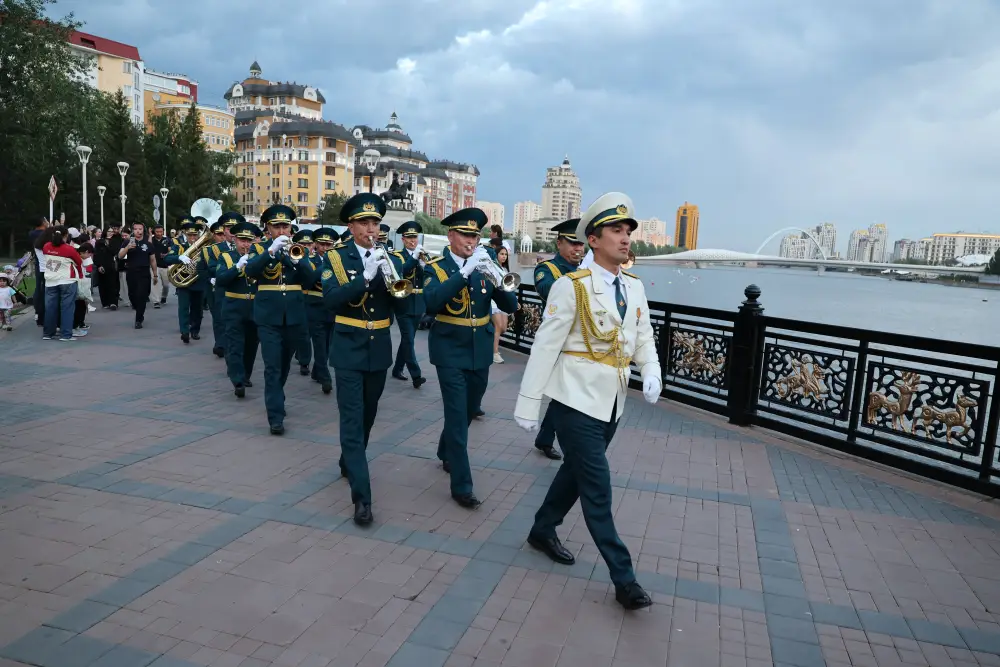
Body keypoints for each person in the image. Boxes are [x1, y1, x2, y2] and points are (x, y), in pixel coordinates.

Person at [513, 192, 662, 611]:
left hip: (611, 403)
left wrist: (651, 370)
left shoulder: (633, 287)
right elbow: (545, 346)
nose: (626, 237)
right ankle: (624, 578)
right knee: (598, 489)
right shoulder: (571, 286)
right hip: (573, 402)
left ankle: (543, 528)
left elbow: (643, 336)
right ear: (593, 240)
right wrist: (528, 404)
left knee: (576, 475)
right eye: (617, 230)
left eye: (628, 231)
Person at [423, 208, 518, 509]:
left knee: (467, 409)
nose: (471, 240)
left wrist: (498, 276)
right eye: (465, 234)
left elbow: (511, 303)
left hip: (479, 351)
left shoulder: (484, 266)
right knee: (456, 413)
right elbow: (432, 301)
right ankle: (462, 485)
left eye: (475, 235)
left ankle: (444, 449)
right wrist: (463, 273)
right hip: (449, 350)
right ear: (451, 236)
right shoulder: (435, 268)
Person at [322, 194, 407, 525]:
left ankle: (349, 461)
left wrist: (401, 284)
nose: (372, 229)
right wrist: (365, 278)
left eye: (376, 224)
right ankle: (363, 498)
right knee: (352, 420)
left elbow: (401, 302)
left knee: (368, 416)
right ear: (351, 226)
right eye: (365, 223)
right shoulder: (336, 258)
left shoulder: (388, 256)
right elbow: (331, 300)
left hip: (378, 350)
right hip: (347, 349)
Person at [244, 204, 318, 435]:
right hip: (268, 317)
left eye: (285, 226)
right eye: (277, 227)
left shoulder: (299, 250)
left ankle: (277, 394)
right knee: (272, 366)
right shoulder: (259, 249)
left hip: (294, 315)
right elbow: (251, 272)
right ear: (268, 229)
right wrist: (271, 252)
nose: (282, 230)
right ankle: (275, 415)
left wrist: (295, 260)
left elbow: (312, 278)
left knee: (285, 364)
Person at [530, 218, 585, 460]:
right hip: (557, 340)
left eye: (581, 245)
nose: (578, 249)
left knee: (566, 393)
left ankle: (545, 438)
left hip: (581, 341)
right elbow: (549, 291)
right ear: (560, 242)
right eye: (573, 243)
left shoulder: (587, 270)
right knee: (563, 392)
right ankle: (553, 439)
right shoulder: (547, 269)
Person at [216, 221, 264, 398]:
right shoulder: (226, 257)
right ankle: (237, 379)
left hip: (253, 307)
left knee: (252, 345)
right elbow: (221, 279)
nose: (245, 244)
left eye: (249, 241)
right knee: (235, 346)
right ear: (235, 239)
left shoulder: (258, 258)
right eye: (242, 240)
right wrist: (237, 267)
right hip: (234, 307)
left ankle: (245, 375)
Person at [390, 220, 426, 388]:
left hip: (418, 303)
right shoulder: (398, 256)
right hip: (403, 302)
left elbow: (428, 278)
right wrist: (414, 259)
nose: (413, 241)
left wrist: (425, 266)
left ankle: (397, 369)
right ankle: (416, 375)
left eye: (415, 238)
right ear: (403, 239)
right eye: (410, 238)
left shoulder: (421, 255)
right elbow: (401, 271)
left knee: (408, 339)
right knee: (408, 340)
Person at [303, 227, 338, 393]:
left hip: (331, 308)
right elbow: (309, 280)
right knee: (319, 344)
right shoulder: (309, 259)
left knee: (328, 345)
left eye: (329, 245)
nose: (325, 248)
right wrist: (325, 265)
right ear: (315, 244)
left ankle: (317, 371)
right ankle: (325, 378)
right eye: (322, 244)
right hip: (315, 306)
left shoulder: (338, 260)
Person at [162, 219, 205, 343]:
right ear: (185, 235)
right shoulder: (180, 247)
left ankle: (195, 330)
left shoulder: (203, 248)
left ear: (198, 235)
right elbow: (167, 259)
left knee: (198, 309)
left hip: (199, 282)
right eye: (190, 235)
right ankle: (185, 331)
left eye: (194, 235)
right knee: (184, 308)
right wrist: (179, 257)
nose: (192, 237)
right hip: (184, 283)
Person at [41, 227, 84, 341]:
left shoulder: (46, 247)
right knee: (67, 308)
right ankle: (66, 334)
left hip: (50, 280)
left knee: (50, 308)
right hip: (67, 280)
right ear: (66, 236)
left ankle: (48, 333)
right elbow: (79, 262)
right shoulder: (69, 249)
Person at [117, 221, 157, 329]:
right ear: (133, 230)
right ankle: (137, 308)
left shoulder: (148, 244)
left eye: (140, 229)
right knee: (133, 294)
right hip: (131, 271)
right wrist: (127, 248)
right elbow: (120, 256)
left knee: (142, 295)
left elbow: (153, 260)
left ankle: (138, 319)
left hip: (144, 272)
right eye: (135, 229)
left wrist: (155, 274)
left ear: (143, 230)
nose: (138, 231)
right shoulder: (127, 242)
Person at [291, 228, 316, 376]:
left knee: (306, 332)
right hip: (295, 297)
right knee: (297, 331)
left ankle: (304, 361)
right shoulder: (292, 259)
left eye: (309, 244)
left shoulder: (314, 260)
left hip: (310, 299)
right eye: (302, 244)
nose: (306, 247)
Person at [490, 242, 512, 365]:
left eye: (505, 254)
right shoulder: (492, 267)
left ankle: (490, 344)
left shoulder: (505, 269)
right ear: (496, 254)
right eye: (501, 254)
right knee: (498, 325)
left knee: (503, 328)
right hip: (494, 300)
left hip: (502, 301)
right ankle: (495, 353)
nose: (504, 256)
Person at [94, 223, 122, 309]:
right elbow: (97, 255)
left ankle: (113, 302)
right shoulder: (99, 242)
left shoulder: (116, 241)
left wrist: (107, 245)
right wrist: (98, 265)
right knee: (103, 284)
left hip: (113, 265)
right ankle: (105, 302)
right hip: (102, 265)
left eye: (112, 231)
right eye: (109, 231)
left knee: (113, 284)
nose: (110, 233)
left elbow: (115, 252)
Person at [29, 218, 48, 326]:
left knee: (38, 287)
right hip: (45, 264)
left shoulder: (31, 233)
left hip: (38, 263)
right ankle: (43, 313)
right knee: (45, 289)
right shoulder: (44, 234)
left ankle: (38, 312)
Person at [150, 224, 172, 309]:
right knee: (155, 283)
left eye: (161, 231)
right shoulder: (151, 239)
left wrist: (166, 254)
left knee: (166, 285)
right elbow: (148, 245)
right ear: (154, 232)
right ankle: (156, 301)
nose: (159, 233)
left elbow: (171, 251)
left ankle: (164, 296)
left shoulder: (167, 240)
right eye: (157, 232)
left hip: (165, 265)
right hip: (154, 266)